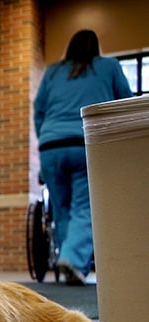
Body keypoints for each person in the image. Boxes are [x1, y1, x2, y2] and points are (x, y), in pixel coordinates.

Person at [33, 29, 132, 285]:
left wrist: (44, 136)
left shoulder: (54, 71)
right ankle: (73, 259)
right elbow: (125, 104)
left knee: (62, 209)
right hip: (84, 143)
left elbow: (38, 110)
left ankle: (68, 263)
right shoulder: (108, 66)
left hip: (50, 147)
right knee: (84, 207)